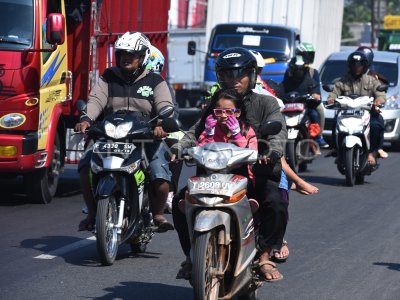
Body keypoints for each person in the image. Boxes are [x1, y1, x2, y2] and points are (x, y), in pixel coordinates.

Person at [172, 47, 288, 282]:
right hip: (212, 176)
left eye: (239, 75)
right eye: (226, 75)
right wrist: (179, 148)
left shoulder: (266, 103)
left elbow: (278, 133)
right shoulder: (214, 105)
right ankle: (191, 256)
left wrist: (272, 151)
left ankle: (265, 255)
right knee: (179, 202)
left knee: (275, 202)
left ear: (252, 76)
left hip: (253, 173)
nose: (233, 81)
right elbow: (194, 133)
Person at [75, 32, 175, 232]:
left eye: (132, 54)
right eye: (122, 54)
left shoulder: (156, 81)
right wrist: (86, 119)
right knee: (86, 167)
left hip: (145, 137)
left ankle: (158, 214)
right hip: (109, 134)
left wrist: (160, 124)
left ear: (143, 56)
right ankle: (94, 213)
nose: (126, 58)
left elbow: (165, 103)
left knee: (160, 175)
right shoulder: (108, 76)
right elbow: (96, 100)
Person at [327, 50, 387, 165]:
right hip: (346, 114)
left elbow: (380, 94)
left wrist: (378, 101)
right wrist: (331, 99)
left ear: (364, 66)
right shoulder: (342, 81)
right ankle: (337, 150)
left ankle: (372, 152)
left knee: (376, 125)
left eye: (359, 65)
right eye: (354, 65)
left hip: (367, 114)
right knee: (335, 123)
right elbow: (334, 93)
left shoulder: (372, 80)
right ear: (350, 66)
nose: (357, 67)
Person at [280, 55, 322, 155]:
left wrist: (315, 95)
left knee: (314, 115)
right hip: (289, 107)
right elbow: (281, 87)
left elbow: (315, 88)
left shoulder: (309, 79)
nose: (298, 72)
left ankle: (315, 141)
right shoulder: (288, 77)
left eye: (300, 69)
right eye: (295, 69)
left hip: (305, 107)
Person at [295, 42, 329, 148]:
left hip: (308, 103)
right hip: (293, 102)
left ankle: (319, 136)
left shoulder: (314, 72)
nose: (309, 57)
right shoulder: (291, 70)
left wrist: (316, 95)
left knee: (318, 112)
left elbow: (316, 88)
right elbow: (285, 85)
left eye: (311, 54)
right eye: (307, 54)